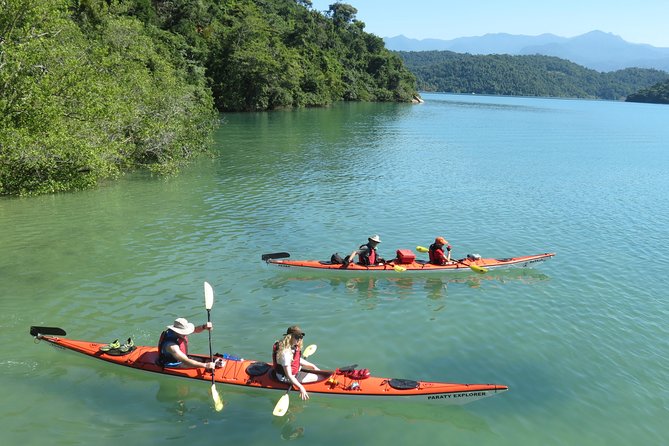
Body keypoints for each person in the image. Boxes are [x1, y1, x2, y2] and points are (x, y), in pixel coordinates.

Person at [272, 325, 320, 400]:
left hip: (291, 371)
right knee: (318, 377)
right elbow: (289, 376)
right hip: (285, 377)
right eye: (297, 337)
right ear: (290, 337)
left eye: (300, 337)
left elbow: (296, 359)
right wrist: (301, 387)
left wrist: (313, 366)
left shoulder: (291, 345)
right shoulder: (285, 353)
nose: (299, 339)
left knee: (315, 370)